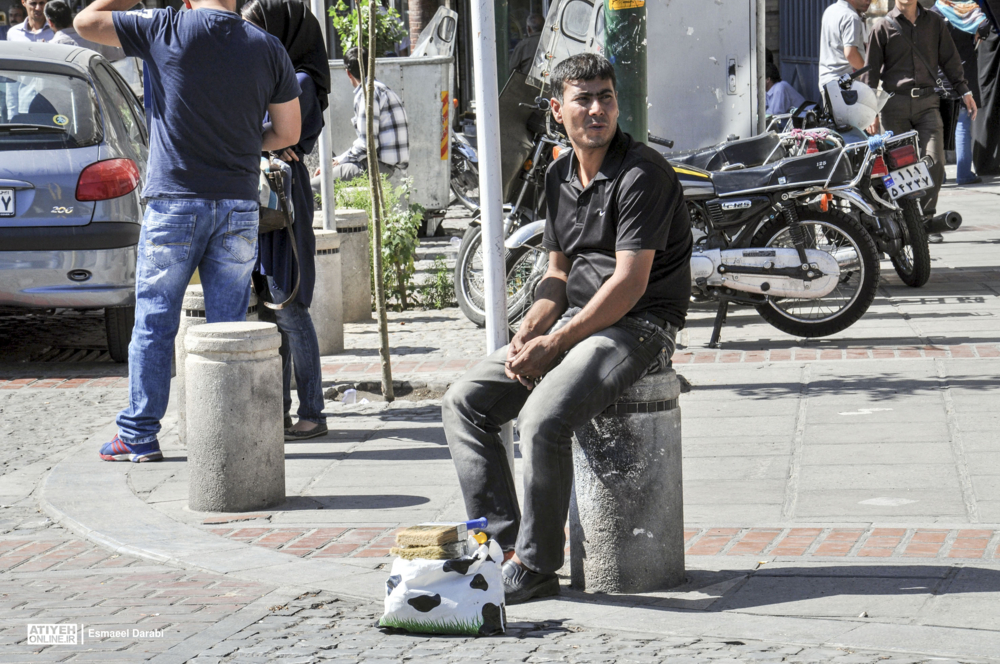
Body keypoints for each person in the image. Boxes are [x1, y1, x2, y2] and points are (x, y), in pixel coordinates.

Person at [441, 53, 692, 605]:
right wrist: (532, 325)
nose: (597, 109)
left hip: (640, 327)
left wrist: (556, 341)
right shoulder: (557, 175)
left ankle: (536, 565)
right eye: (584, 99)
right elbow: (557, 272)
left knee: (540, 419)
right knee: (464, 402)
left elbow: (629, 284)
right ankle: (501, 547)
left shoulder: (642, 174)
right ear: (558, 110)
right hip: (579, 324)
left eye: (606, 97)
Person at [74, 0, 302, 462]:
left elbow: (84, 22)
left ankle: (140, 434)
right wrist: (243, 142)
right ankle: (223, 437)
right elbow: (288, 132)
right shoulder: (268, 46)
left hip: (174, 200)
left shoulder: (164, 27)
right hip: (238, 203)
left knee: (155, 321)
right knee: (227, 328)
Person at [241, 0, 331, 441]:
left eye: (257, 30)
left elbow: (277, 135)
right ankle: (278, 411)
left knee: (290, 306)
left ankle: (313, 411)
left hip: (284, 197)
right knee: (270, 310)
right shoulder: (276, 76)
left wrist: (261, 136)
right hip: (268, 195)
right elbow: (264, 133)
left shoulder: (299, 81)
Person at [866, 0, 976, 227]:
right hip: (894, 106)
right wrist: (870, 112)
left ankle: (925, 220)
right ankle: (906, 220)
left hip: (928, 103)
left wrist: (964, 91)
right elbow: (871, 74)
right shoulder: (882, 27)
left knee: (935, 161)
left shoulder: (935, 22)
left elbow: (950, 59)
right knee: (899, 167)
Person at [310, 46, 408, 194]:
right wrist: (339, 160)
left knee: (312, 187)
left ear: (348, 73)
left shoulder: (366, 94)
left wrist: (339, 161)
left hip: (377, 166)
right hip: (387, 165)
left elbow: (367, 145)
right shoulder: (383, 89)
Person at [932, 0, 991, 185]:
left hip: (939, 76)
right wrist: (977, 36)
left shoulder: (934, 13)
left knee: (939, 126)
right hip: (963, 74)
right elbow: (986, 25)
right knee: (962, 124)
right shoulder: (970, 12)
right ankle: (964, 174)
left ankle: (939, 175)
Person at [45, 0, 125, 61]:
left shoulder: (50, 48)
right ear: (70, 17)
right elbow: (119, 54)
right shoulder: (92, 38)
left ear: (50, 23)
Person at [819, 0, 872, 89]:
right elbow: (851, 54)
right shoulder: (851, 17)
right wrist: (867, 73)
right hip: (845, 85)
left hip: (828, 82)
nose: (869, 1)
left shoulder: (830, 11)